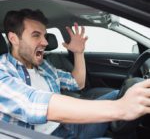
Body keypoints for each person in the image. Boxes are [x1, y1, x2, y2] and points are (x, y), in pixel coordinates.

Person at [0, 9, 150, 139]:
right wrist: (120, 108)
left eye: (45, 36)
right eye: (36, 35)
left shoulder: (44, 66)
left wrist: (78, 53)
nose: (45, 42)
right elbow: (32, 103)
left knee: (122, 93)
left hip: (67, 126)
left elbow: (77, 83)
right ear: (14, 39)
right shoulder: (3, 70)